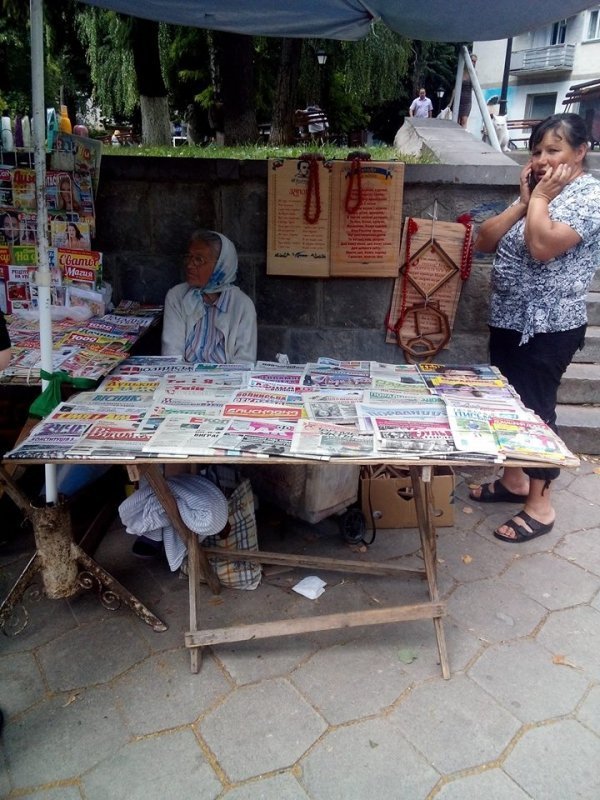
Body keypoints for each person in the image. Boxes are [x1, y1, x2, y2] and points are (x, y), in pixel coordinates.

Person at [469, 113, 600, 543]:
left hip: (548, 328)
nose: (542, 159)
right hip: (508, 320)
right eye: (537, 150)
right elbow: (484, 241)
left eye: (554, 150)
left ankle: (540, 506)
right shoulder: (536, 194)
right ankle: (514, 481)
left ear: (580, 152)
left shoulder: (588, 196)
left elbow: (542, 246)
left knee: (536, 411)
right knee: (509, 406)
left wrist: (540, 197)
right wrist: (524, 202)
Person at [162, 229, 257, 364]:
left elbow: (244, 361)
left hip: (227, 376)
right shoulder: (177, 296)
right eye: (189, 257)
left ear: (221, 266)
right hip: (183, 374)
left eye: (199, 260)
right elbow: (171, 354)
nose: (189, 265)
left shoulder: (242, 305)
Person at [449, 54, 477, 128]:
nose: (473, 63)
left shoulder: (474, 74)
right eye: (472, 61)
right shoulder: (461, 72)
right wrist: (450, 102)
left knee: (464, 120)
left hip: (467, 101)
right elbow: (455, 88)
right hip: (458, 99)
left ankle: (463, 134)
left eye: (475, 61)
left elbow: (475, 87)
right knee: (457, 120)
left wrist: (473, 75)